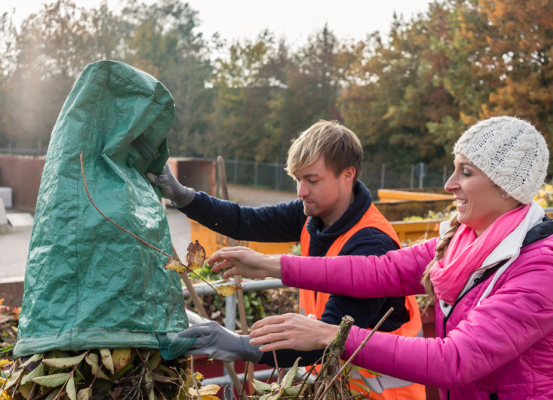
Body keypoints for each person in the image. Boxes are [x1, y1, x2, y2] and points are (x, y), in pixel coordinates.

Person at [208, 117, 553, 400]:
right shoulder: (466, 240)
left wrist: (329, 335)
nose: (449, 184)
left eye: (465, 172)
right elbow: (380, 271)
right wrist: (271, 265)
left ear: (506, 186)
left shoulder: (540, 266)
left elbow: (456, 360)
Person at [147, 120, 426, 399]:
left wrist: (239, 344)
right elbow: (246, 221)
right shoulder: (311, 214)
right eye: (297, 179)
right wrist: (182, 195)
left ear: (347, 175)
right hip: (330, 387)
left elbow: (328, 338)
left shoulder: (371, 244)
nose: (301, 191)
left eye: (312, 180)